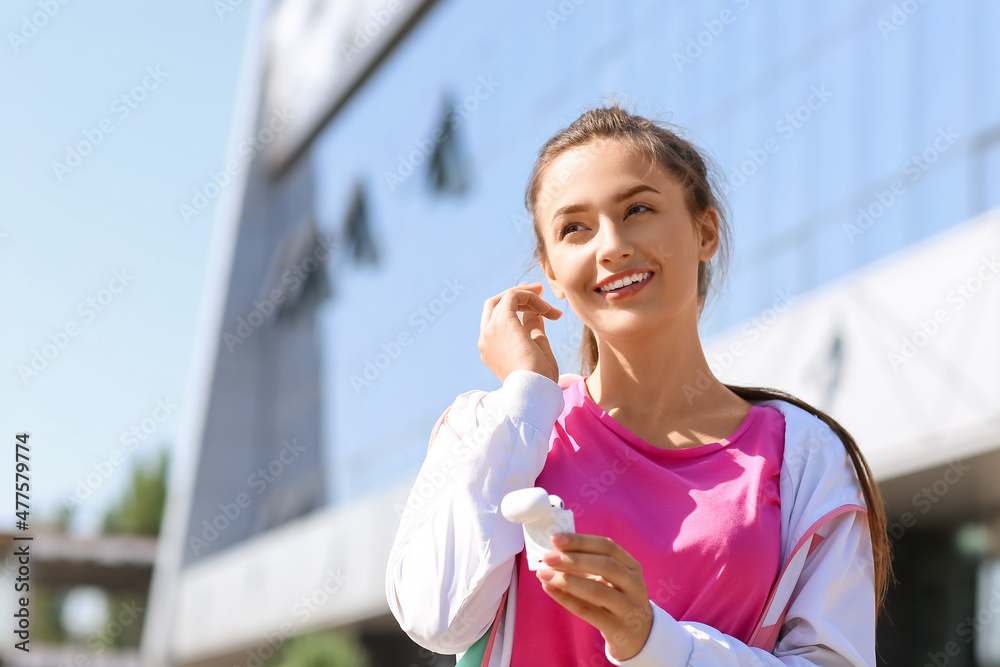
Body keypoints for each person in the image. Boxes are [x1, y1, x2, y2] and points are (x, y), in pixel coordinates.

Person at [384, 98, 892, 666]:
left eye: (638, 210)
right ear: (549, 271)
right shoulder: (493, 426)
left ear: (705, 231)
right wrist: (525, 395)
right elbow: (437, 619)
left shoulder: (804, 456)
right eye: (575, 228)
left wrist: (654, 642)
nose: (611, 246)